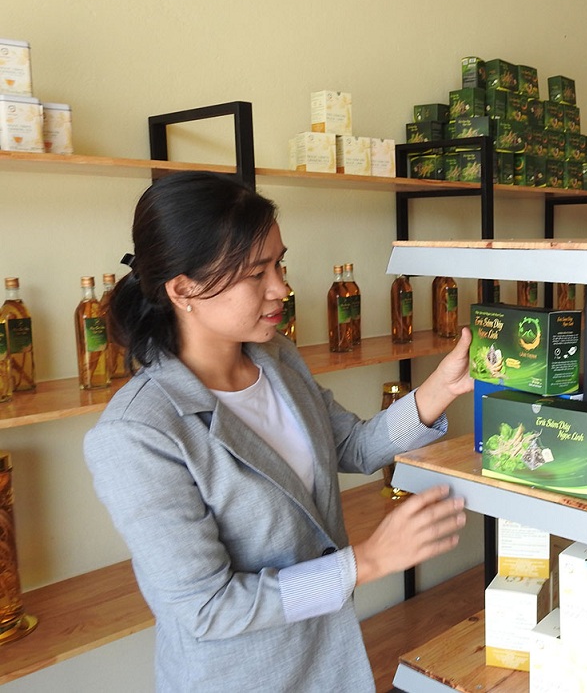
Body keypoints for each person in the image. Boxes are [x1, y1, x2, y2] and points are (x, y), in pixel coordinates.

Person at [83, 171, 472, 692]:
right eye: (255, 273)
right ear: (183, 289)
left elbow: (352, 447)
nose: (281, 288)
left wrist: (439, 389)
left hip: (331, 662)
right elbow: (208, 607)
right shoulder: (138, 433)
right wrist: (369, 561)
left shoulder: (277, 358)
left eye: (279, 263)